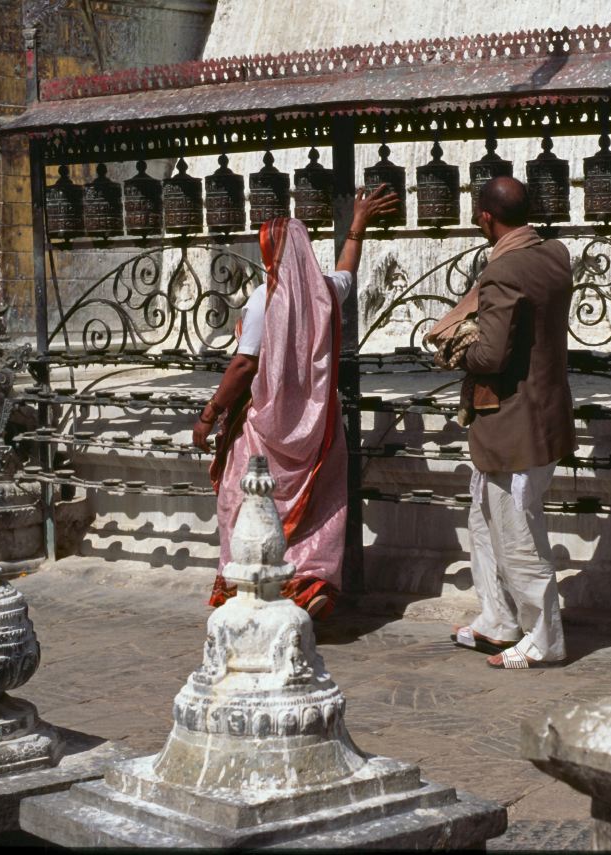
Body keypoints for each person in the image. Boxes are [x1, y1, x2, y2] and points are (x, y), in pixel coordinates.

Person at [192, 184, 398, 618]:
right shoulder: (322, 292)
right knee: (316, 509)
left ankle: (251, 588)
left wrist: (209, 415)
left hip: (265, 429)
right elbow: (348, 271)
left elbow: (244, 366)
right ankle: (308, 586)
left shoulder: (262, 299)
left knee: (243, 499)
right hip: (318, 426)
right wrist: (358, 223)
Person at [432, 176, 576, 669]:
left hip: (517, 424)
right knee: (484, 518)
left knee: (517, 531)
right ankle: (498, 620)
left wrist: (456, 345)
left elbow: (491, 355)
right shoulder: (554, 256)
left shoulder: (502, 272)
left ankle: (544, 638)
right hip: (538, 415)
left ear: (485, 218)